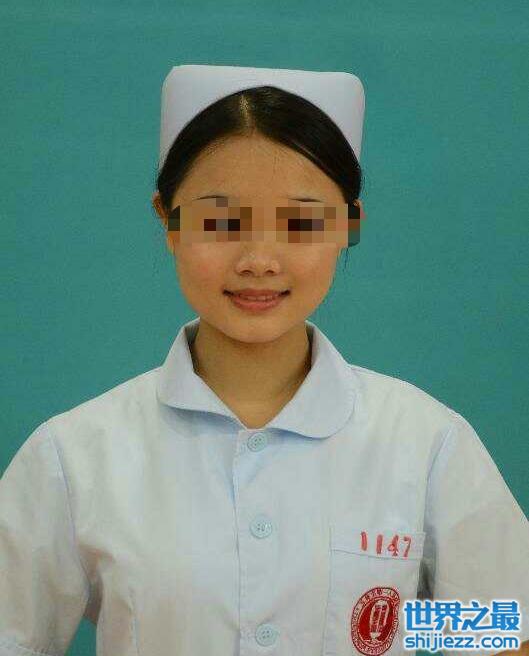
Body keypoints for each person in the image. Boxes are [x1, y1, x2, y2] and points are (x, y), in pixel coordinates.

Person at [1, 64, 528, 656]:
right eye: (220, 220)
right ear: (167, 221)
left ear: (349, 226)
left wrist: (417, 630)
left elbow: (498, 638)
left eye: (301, 221)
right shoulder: (76, 456)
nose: (259, 259)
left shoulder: (425, 445)